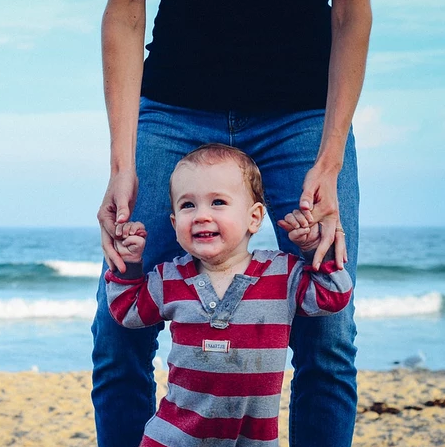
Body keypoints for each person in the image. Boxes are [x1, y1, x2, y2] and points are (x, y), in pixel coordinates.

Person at [92, 0, 372, 446]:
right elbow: (125, 12)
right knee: (116, 336)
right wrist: (122, 165)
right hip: (172, 108)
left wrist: (329, 160)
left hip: (303, 114)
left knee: (329, 339)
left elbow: (351, 13)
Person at [104, 144, 353, 446]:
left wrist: (314, 249)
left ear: (254, 217)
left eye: (218, 202)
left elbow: (334, 295)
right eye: (187, 206)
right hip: (173, 438)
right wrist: (130, 267)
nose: (201, 216)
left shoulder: (283, 274)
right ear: (173, 224)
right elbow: (126, 312)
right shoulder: (169, 278)